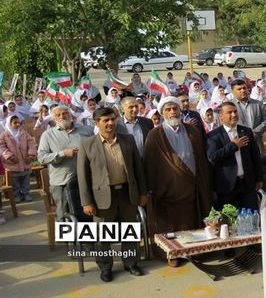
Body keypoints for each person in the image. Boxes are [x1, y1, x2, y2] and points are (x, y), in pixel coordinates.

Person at [78, 107, 147, 282]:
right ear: (96, 123)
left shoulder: (127, 140)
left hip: (126, 193)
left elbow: (138, 169)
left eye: (112, 119)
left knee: (129, 231)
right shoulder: (87, 145)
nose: (110, 123)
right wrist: (87, 202)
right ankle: (105, 267)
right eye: (105, 120)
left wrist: (142, 192)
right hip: (101, 198)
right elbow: (83, 176)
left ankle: (131, 263)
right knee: (103, 235)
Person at [143, 96, 213, 264]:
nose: (172, 112)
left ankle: (194, 251)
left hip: (192, 187)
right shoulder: (155, 135)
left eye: (175, 108)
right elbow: (150, 165)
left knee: (192, 222)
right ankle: (175, 254)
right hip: (168, 191)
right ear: (162, 113)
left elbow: (202, 159)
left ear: (180, 110)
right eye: (168, 109)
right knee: (172, 226)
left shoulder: (192, 131)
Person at [38, 105, 94, 218]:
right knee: (64, 214)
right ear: (54, 118)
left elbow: (96, 150)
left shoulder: (86, 130)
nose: (62, 116)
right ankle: (66, 235)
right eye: (58, 115)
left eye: (65, 113)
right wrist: (63, 154)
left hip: (86, 179)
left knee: (88, 213)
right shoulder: (48, 135)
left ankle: (87, 234)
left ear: (70, 115)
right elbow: (42, 158)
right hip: (61, 182)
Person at [206, 102, 262, 210]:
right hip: (227, 185)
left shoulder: (246, 131)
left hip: (247, 183)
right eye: (229, 112)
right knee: (229, 219)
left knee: (251, 216)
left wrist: (259, 178)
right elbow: (212, 157)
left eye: (235, 111)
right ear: (221, 116)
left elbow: (255, 156)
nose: (234, 115)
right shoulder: (213, 136)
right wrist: (233, 145)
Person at [0, 115, 37, 202]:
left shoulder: (24, 133)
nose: (17, 124)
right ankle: (16, 194)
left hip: (25, 161)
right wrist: (9, 156)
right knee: (14, 180)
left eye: (19, 122)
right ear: (9, 123)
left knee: (25, 178)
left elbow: (31, 144)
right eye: (15, 123)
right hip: (12, 162)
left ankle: (26, 193)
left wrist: (30, 155)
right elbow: (1, 147)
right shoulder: (4, 135)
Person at [229, 79, 266, 153]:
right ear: (233, 91)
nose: (243, 90)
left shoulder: (258, 104)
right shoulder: (229, 106)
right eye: (239, 89)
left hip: (256, 141)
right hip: (239, 143)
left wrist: (255, 132)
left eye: (244, 88)